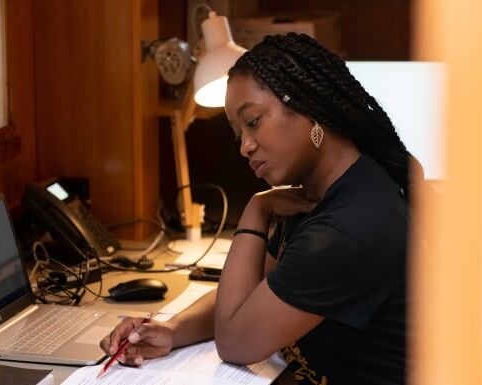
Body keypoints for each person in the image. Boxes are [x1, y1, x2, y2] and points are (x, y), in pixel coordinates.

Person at [101, 32, 414, 385]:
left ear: (309, 108)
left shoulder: (348, 227)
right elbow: (252, 297)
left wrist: (255, 211)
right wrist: (173, 329)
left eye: (253, 122)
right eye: (239, 135)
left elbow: (235, 341)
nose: (244, 148)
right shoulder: (326, 192)